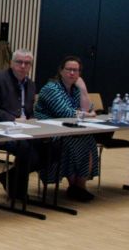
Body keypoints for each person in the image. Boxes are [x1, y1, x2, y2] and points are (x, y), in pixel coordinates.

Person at [0, 48, 42, 200]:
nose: (23, 66)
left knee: (53, 146)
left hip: (25, 129)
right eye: (19, 62)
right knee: (25, 148)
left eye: (27, 63)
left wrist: (32, 119)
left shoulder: (31, 84)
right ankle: (19, 193)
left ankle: (9, 177)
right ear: (11, 63)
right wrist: (12, 119)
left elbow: (28, 110)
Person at [37, 55, 99, 200]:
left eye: (76, 70)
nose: (72, 73)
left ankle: (79, 186)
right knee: (71, 142)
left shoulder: (76, 88)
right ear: (61, 71)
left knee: (88, 140)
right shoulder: (51, 88)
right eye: (69, 69)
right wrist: (86, 114)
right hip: (48, 130)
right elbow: (65, 113)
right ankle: (75, 186)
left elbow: (87, 108)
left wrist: (83, 90)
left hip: (69, 128)